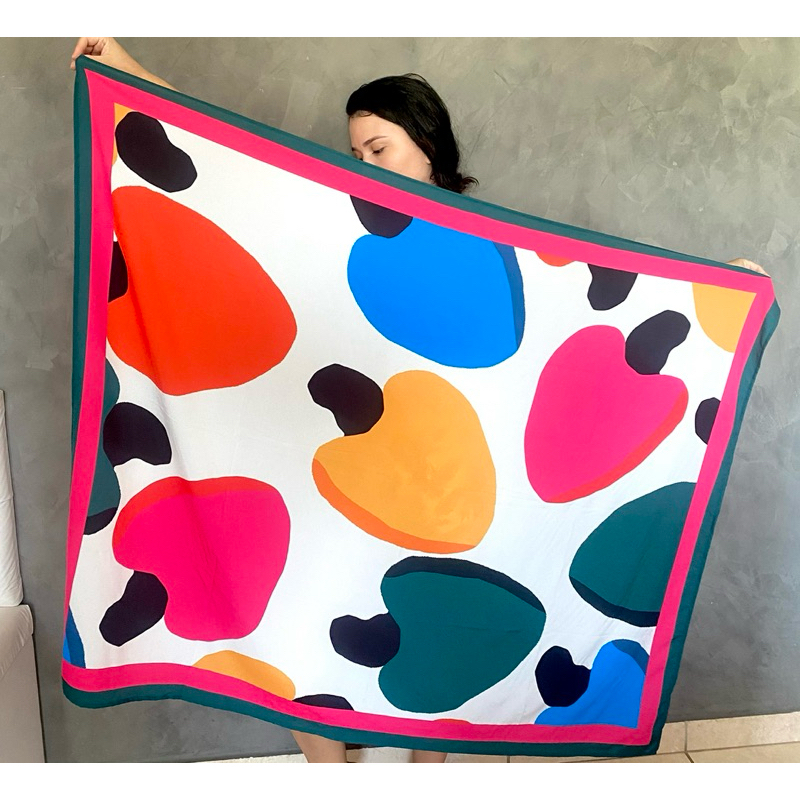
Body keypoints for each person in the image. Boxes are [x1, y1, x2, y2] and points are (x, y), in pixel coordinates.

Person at [68, 38, 770, 764]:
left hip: (440, 483)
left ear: (428, 148)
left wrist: (722, 289)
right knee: (297, 634)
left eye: (380, 149)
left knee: (447, 640)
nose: (364, 165)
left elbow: (586, 296)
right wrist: (124, 69)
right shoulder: (335, 219)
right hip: (346, 482)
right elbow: (226, 166)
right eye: (355, 152)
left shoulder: (492, 245)